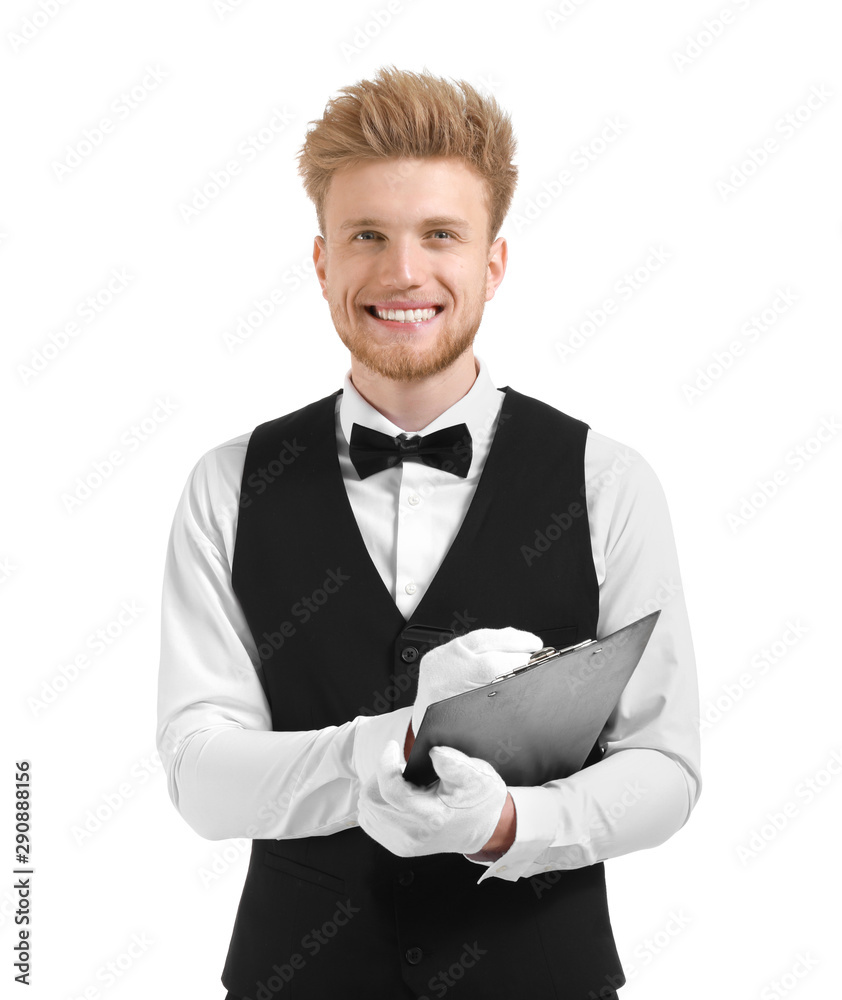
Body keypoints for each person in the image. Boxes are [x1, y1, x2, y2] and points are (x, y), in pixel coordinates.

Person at [156, 65, 702, 1000]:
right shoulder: (228, 485)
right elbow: (201, 775)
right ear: (322, 260)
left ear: (492, 263)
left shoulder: (607, 481)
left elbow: (665, 766)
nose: (403, 272)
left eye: (440, 235)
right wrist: (390, 742)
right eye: (367, 234)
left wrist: (508, 825)